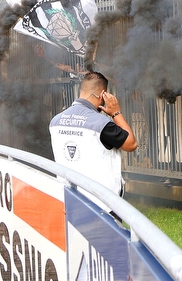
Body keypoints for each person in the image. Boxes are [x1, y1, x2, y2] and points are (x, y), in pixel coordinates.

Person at [49, 71, 137, 200]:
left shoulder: (55, 121)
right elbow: (131, 144)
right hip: (101, 203)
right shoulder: (101, 124)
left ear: (81, 90)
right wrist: (116, 113)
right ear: (103, 94)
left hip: (68, 198)